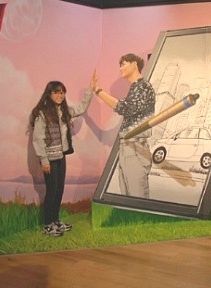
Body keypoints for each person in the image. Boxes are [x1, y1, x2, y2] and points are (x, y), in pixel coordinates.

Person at [30, 72, 96, 237]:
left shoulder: (64, 111)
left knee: (59, 190)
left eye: (63, 92)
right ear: (49, 94)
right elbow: (38, 138)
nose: (60, 95)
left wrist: (91, 89)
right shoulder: (42, 114)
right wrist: (44, 160)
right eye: (57, 92)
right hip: (49, 159)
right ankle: (48, 224)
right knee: (51, 191)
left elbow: (81, 108)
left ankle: (56, 220)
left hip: (61, 156)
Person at [93, 53, 155, 198]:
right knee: (127, 195)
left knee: (136, 196)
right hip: (129, 147)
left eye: (123, 64)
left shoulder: (143, 86)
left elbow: (126, 108)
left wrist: (98, 91)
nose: (120, 68)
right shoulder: (135, 88)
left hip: (135, 147)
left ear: (134, 64)